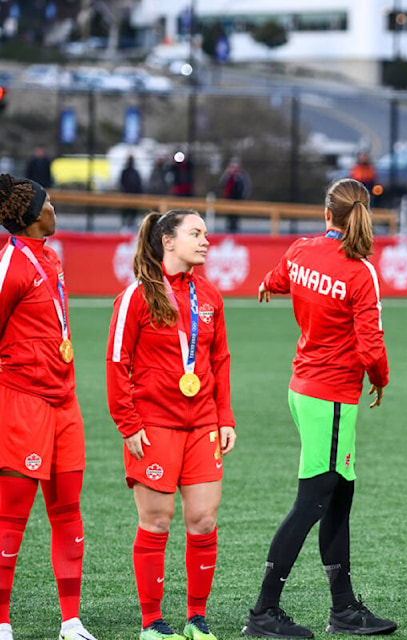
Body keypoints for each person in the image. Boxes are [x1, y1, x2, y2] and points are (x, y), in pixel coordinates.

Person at [242, 177, 396, 638]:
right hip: (329, 395)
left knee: (339, 496)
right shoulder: (360, 270)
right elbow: (371, 347)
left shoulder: (303, 249)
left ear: (326, 213)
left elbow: (279, 278)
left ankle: (344, 609)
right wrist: (381, 380)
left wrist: (270, 285)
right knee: (312, 501)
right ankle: (263, 612)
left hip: (306, 388)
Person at [106, 210, 237, 640]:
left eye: (205, 233)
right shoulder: (136, 297)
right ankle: (152, 623)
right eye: (195, 233)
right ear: (167, 240)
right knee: (157, 522)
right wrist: (128, 424)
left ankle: (196, 619)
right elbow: (116, 363)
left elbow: (219, 360)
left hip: (203, 426)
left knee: (203, 520)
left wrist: (224, 417)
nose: (206, 241)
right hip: (154, 426)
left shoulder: (210, 296)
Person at [0, 174, 98, 640]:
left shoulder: (51, 258)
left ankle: (71, 621)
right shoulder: (11, 265)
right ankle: (1, 622)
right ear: (33, 215)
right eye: (50, 202)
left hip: (65, 403)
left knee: (68, 514)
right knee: (10, 520)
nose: (55, 208)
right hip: (23, 404)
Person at [219, 159, 251, 233]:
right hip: (228, 199)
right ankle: (229, 230)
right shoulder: (227, 175)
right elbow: (222, 183)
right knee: (229, 217)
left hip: (237, 199)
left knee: (236, 217)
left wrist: (243, 197)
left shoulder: (241, 175)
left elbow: (246, 186)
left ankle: (235, 231)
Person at [120, 155, 145, 230]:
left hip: (134, 195)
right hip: (127, 194)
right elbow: (122, 182)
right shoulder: (125, 171)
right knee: (126, 209)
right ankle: (125, 224)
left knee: (133, 210)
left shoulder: (135, 172)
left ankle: (131, 223)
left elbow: (138, 183)